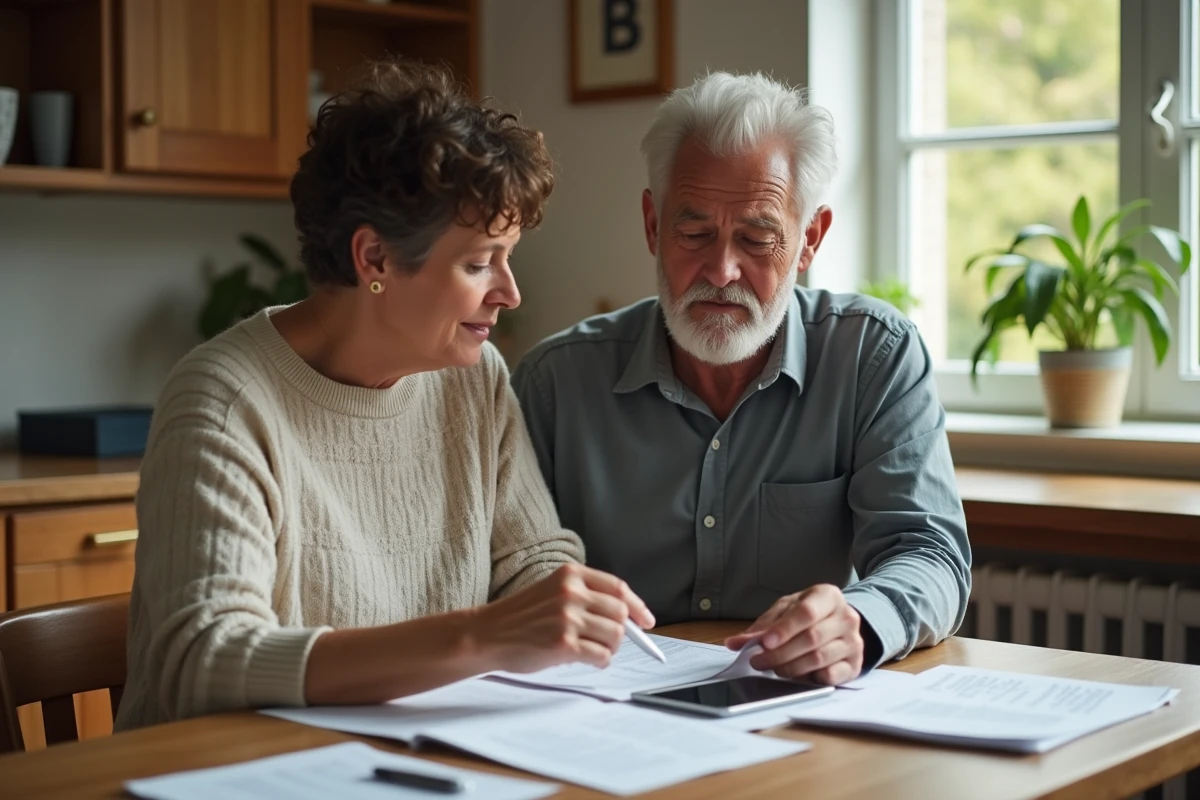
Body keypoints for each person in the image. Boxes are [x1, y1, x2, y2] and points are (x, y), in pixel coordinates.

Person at [115, 59, 653, 731]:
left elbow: (531, 557)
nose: (510, 293)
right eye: (479, 262)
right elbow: (203, 659)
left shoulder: (474, 376)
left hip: (414, 755)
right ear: (374, 260)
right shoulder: (228, 401)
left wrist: (563, 600)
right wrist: (480, 636)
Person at [512, 72, 971, 686]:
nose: (722, 271)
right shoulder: (555, 384)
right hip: (607, 709)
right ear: (652, 225)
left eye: (757, 239)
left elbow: (930, 552)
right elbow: (511, 576)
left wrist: (857, 621)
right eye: (694, 232)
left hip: (799, 711)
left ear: (808, 240)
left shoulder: (872, 356)